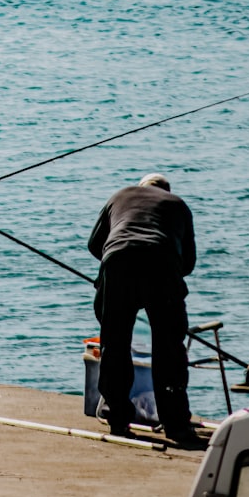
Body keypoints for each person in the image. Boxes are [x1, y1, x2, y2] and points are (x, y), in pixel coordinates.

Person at [88, 173, 201, 446]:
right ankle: (176, 425)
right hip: (162, 264)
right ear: (166, 190)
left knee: (115, 344)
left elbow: (95, 245)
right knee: (169, 348)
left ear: (141, 186)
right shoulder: (177, 204)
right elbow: (188, 262)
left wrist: (120, 270)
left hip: (118, 262)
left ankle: (117, 418)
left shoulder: (119, 196)